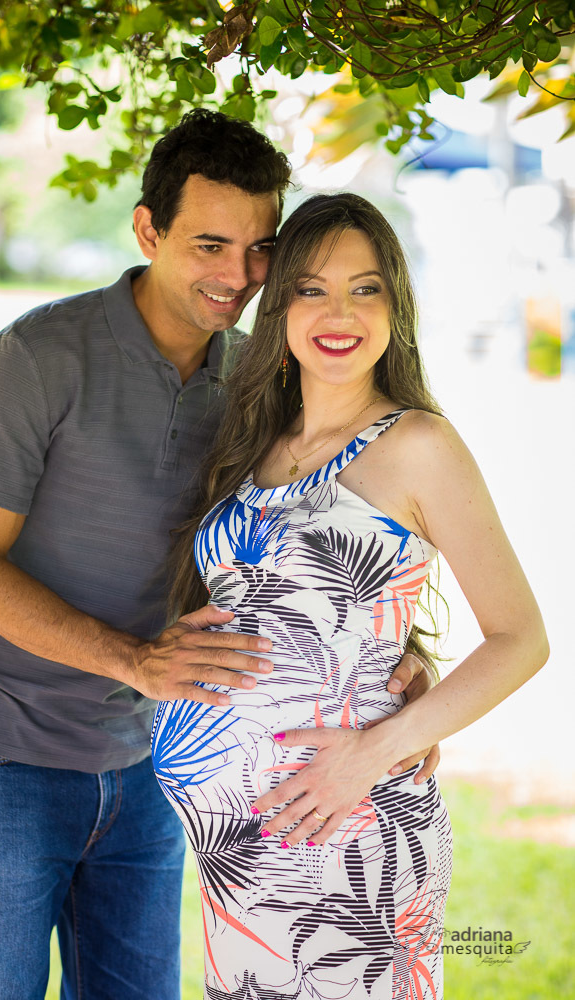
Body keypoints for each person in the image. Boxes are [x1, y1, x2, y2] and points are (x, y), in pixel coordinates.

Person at [0, 113, 433, 1000]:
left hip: (153, 760)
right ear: (148, 231)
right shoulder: (39, 355)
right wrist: (134, 661)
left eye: (259, 249)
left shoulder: (260, 380)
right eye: (208, 245)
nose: (236, 276)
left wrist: (401, 668)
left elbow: (309, 538)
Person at [154, 192, 549, 999]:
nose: (339, 313)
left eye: (364, 289)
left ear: (394, 307)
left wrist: (377, 750)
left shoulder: (418, 444)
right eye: (311, 289)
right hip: (238, 856)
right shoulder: (257, 442)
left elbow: (521, 638)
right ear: (280, 307)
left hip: (346, 833)